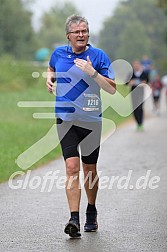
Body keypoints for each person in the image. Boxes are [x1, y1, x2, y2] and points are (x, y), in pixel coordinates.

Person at [46, 14, 116, 238]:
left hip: (90, 121)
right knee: (71, 168)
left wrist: (92, 72)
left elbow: (112, 88)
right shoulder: (58, 53)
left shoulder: (98, 56)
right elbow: (51, 67)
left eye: (84, 31)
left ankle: (91, 210)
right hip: (65, 120)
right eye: (77, 32)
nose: (81, 35)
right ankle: (73, 219)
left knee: (89, 169)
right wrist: (49, 78)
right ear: (68, 36)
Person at [128, 60, 149, 131]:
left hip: (141, 92)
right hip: (133, 92)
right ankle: (138, 123)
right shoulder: (131, 74)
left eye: (137, 64)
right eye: (135, 64)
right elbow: (126, 82)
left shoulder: (144, 73)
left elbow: (147, 81)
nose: (136, 66)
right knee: (134, 108)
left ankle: (141, 123)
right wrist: (131, 82)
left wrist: (144, 83)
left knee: (140, 108)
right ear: (133, 66)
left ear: (139, 65)